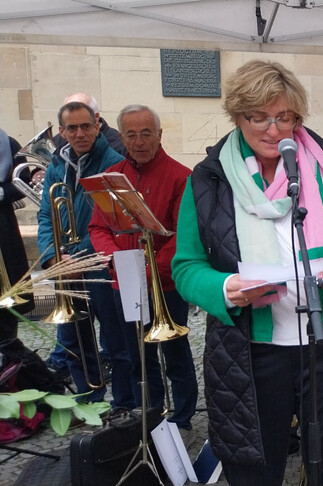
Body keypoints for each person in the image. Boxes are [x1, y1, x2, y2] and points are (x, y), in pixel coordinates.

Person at [172, 60, 323, 486]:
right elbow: (186, 266)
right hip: (250, 356)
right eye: (260, 117)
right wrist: (224, 287)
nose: (274, 130)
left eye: (285, 117)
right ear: (238, 116)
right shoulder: (208, 180)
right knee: (255, 473)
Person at [87, 104, 200, 431]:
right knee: (138, 356)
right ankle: (150, 419)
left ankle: (182, 419)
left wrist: (148, 273)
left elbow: (183, 236)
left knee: (175, 354)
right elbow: (98, 228)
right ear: (121, 137)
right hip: (125, 282)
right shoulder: (111, 178)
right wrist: (116, 260)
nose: (139, 142)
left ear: (159, 135)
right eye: (131, 134)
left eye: (146, 133)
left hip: (165, 284)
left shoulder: (181, 177)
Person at [37, 101, 129, 405]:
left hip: (101, 266)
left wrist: (80, 258)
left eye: (86, 126)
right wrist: (53, 257)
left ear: (97, 126)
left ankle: (124, 404)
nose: (80, 133)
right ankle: (89, 398)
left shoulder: (114, 163)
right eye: (72, 128)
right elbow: (45, 216)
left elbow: (114, 223)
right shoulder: (56, 165)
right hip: (64, 265)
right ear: (61, 131)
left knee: (116, 341)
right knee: (76, 340)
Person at [0, 128, 65, 394]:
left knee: (6, 313)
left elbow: (21, 182)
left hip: (2, 235)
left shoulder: (6, 142)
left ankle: (10, 377)